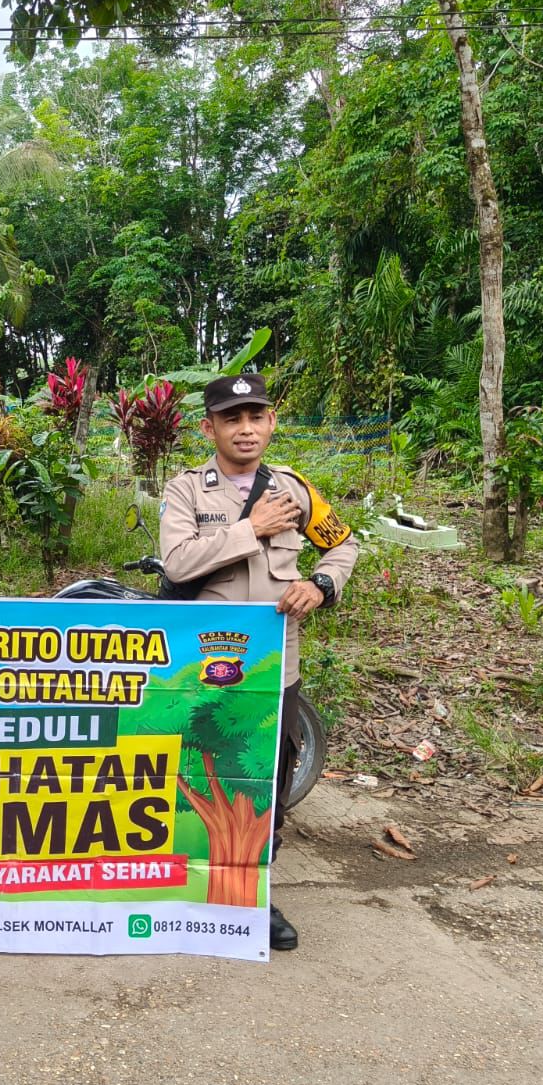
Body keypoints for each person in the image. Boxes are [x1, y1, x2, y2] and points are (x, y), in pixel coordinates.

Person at [158, 372, 359, 952]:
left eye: (256, 417)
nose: (245, 429)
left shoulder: (295, 490)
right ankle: (180, 883)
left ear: (271, 422)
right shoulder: (187, 491)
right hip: (201, 663)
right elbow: (176, 563)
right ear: (210, 427)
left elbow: (344, 543)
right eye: (231, 418)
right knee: (195, 770)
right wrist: (252, 528)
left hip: (275, 664)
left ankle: (250, 895)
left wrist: (320, 583)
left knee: (263, 773)